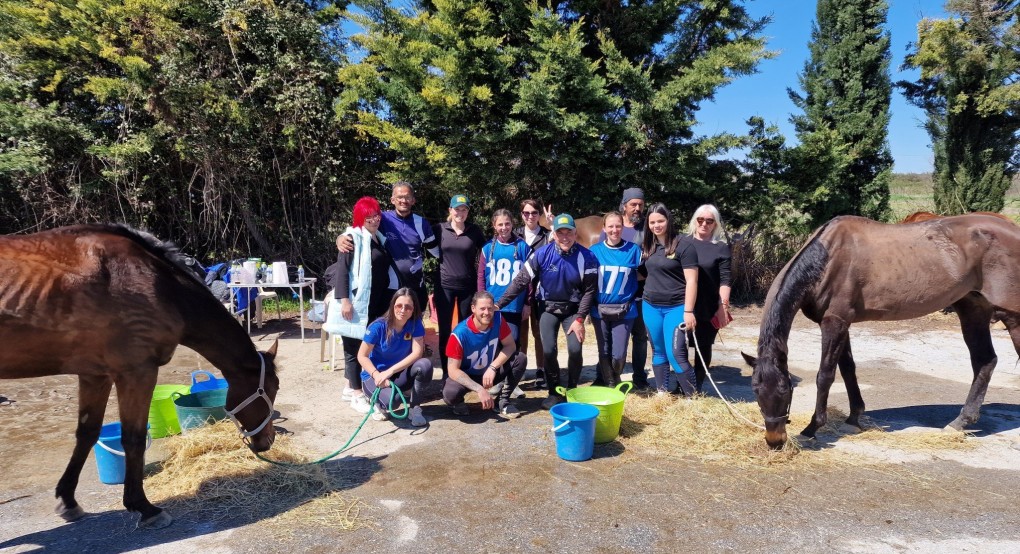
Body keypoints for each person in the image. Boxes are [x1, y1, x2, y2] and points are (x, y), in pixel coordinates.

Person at [497, 213, 599, 409]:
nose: (565, 237)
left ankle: (572, 389)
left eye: (568, 232)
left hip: (572, 310)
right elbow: (520, 281)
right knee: (549, 350)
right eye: (560, 233)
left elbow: (590, 290)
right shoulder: (542, 254)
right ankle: (554, 392)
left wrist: (580, 319)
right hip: (547, 308)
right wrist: (499, 304)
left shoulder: (587, 257)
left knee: (575, 349)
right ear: (554, 234)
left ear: (575, 233)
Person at [331, 197, 401, 413]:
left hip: (374, 303)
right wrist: (345, 301)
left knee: (365, 345)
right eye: (369, 216)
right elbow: (342, 271)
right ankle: (357, 394)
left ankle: (348, 388)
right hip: (355, 303)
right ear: (361, 217)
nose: (374, 219)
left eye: (376, 215)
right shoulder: (352, 238)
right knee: (354, 349)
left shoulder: (378, 238)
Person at [337, 182, 439, 315]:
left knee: (415, 330)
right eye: (399, 197)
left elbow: (436, 251)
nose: (403, 200)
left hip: (416, 286)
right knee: (389, 330)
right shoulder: (381, 219)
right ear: (392, 200)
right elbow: (359, 229)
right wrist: (341, 237)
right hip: (390, 288)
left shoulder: (422, 223)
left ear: (413, 200)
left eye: (407, 197)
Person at [639, 203, 699, 395]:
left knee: (676, 354)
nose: (656, 225)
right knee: (657, 351)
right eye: (652, 222)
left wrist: (688, 311)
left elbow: (692, 281)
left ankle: (691, 397)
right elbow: (643, 273)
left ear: (669, 221)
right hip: (650, 306)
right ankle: (662, 392)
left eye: (661, 221)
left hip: (676, 308)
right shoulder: (648, 246)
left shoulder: (684, 246)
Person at [443, 291, 528, 417]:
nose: (487, 313)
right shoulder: (459, 334)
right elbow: (452, 370)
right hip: (468, 375)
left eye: (490, 308)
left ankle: (502, 401)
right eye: (482, 309)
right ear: (473, 308)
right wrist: (479, 389)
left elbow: (510, 346)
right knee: (450, 393)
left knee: (520, 358)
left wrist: (493, 367)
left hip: (490, 373)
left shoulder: (498, 319)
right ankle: (459, 403)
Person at [597, 187, 650, 388]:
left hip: (639, 294)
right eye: (633, 204)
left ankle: (639, 378)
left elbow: (646, 266)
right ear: (624, 206)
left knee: (640, 338)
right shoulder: (613, 226)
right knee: (606, 340)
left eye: (640, 205)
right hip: (614, 295)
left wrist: (629, 279)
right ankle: (603, 377)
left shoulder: (647, 229)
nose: (637, 208)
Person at [357, 288, 433, 426]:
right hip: (375, 376)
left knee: (425, 365)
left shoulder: (415, 324)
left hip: (397, 373)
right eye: (399, 305)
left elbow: (417, 353)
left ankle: (415, 408)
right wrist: (376, 375)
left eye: (408, 307)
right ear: (392, 306)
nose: (403, 310)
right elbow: (362, 356)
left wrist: (390, 371)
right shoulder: (378, 326)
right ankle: (375, 400)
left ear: (413, 309)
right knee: (393, 402)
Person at [478, 209, 531, 399]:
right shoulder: (487, 249)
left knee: (514, 342)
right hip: (492, 307)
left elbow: (530, 278)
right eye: (500, 224)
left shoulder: (523, 247)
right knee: (495, 344)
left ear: (512, 224)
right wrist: (481, 300)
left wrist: (527, 302)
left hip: (514, 305)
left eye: (507, 224)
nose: (504, 228)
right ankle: (497, 380)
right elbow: (481, 277)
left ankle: (512, 382)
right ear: (494, 226)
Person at [433, 194, 487, 377]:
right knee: (445, 331)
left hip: (467, 287)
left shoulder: (475, 231)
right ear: (450, 210)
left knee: (466, 330)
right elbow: (420, 244)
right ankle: (447, 374)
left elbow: (487, 253)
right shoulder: (439, 229)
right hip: (444, 287)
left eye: (464, 209)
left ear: (468, 212)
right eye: (457, 209)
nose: (460, 213)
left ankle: (464, 369)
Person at [590, 211, 642, 387]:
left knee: (619, 354)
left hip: (625, 310)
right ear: (604, 228)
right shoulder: (595, 251)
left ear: (622, 227)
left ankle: (615, 376)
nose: (614, 230)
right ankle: (611, 384)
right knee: (603, 350)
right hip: (600, 309)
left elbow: (644, 274)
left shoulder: (633, 250)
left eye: (618, 226)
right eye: (610, 226)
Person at [686, 204, 732, 392]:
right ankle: (682, 384)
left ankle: (696, 386)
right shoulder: (683, 242)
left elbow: (726, 280)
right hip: (682, 304)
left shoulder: (721, 248)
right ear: (695, 221)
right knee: (679, 346)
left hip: (707, 305)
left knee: (703, 347)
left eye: (709, 221)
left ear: (715, 224)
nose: (704, 224)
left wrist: (723, 307)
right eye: (700, 220)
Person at [514, 199, 550, 388]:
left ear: (539, 215)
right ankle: (520, 370)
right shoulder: (514, 235)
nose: (530, 216)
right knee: (521, 333)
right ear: (521, 215)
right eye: (526, 213)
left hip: (541, 291)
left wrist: (552, 228)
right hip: (520, 291)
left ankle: (541, 370)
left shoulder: (547, 235)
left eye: (534, 213)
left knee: (539, 333)